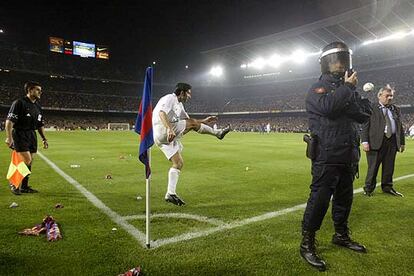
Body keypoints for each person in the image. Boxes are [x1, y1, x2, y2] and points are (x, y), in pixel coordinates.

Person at [300, 42, 372, 271]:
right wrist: (348, 92)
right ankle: (307, 244)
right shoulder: (317, 89)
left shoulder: (347, 91)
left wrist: (349, 95)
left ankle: (341, 235)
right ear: (325, 64)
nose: (340, 66)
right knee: (319, 201)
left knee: (345, 199)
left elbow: (365, 114)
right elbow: (329, 108)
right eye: (335, 61)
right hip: (326, 155)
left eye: (343, 61)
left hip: (348, 155)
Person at [152, 83, 231, 206]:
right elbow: (161, 113)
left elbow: (191, 122)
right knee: (192, 124)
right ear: (182, 92)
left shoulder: (180, 105)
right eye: (188, 93)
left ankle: (170, 193)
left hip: (163, 139)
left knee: (178, 163)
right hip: (163, 130)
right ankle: (218, 133)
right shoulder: (170, 98)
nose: (190, 96)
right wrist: (169, 129)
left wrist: (203, 121)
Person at [5, 81, 48, 195]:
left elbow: (40, 125)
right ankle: (13, 183)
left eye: (40, 90)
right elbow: (9, 122)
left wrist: (44, 138)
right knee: (26, 160)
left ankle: (24, 186)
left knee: (30, 162)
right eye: (38, 90)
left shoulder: (38, 106)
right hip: (20, 133)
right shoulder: (19, 103)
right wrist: (9, 138)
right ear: (30, 90)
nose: (40, 92)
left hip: (31, 135)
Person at [361, 85, 405, 197]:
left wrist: (402, 142)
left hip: (392, 142)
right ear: (379, 96)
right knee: (373, 167)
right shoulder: (371, 107)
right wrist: (365, 141)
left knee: (389, 167)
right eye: (387, 95)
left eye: (391, 96)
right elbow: (365, 125)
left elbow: (400, 126)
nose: (390, 98)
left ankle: (387, 187)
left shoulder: (396, 109)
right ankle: (368, 189)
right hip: (375, 141)